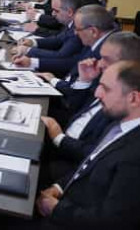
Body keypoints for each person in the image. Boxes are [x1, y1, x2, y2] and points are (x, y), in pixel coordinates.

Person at [31, 60, 140, 229]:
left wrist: (57, 209)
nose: (97, 93)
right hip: (66, 199)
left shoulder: (134, 156)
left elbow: (112, 221)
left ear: (133, 98)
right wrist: (58, 187)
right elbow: (89, 164)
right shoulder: (119, 123)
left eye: (106, 89)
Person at [40, 33, 140, 177]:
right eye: (100, 57)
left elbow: (99, 153)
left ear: (128, 64)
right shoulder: (101, 78)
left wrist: (59, 137)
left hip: (73, 163)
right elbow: (71, 108)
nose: (99, 63)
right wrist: (84, 81)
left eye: (106, 59)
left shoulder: (124, 102)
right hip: (63, 140)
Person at [12, 0, 84, 75]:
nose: (53, 14)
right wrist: (32, 42)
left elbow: (60, 56)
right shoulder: (71, 23)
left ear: (69, 12)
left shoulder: (78, 30)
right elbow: (57, 40)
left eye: (56, 11)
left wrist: (28, 51)